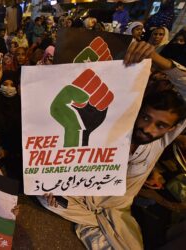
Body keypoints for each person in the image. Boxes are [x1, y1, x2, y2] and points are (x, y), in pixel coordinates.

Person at [39, 41, 186, 249]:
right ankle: (94, 223)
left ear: (172, 129)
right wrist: (51, 181)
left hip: (117, 209)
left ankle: (97, 225)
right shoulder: (114, 126)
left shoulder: (161, 141)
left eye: (160, 125)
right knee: (45, 197)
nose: (148, 128)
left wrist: (156, 58)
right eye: (145, 118)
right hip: (80, 196)